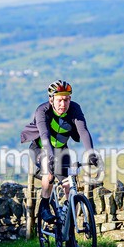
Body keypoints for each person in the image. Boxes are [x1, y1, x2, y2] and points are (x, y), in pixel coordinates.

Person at [20, 79, 99, 223]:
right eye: (60, 100)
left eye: (67, 100)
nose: (63, 104)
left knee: (69, 184)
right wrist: (50, 158)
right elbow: (44, 136)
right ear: (51, 100)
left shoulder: (75, 109)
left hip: (61, 150)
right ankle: (44, 207)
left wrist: (91, 153)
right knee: (49, 173)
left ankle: (68, 227)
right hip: (40, 148)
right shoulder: (42, 111)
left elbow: (83, 131)